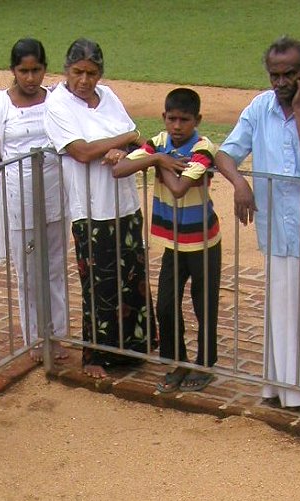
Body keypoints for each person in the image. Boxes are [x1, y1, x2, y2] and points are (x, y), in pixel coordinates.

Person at [215, 36, 300, 409]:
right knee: (280, 311)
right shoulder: (259, 108)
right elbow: (225, 153)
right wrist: (240, 183)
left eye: (290, 75)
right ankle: (281, 388)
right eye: (274, 75)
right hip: (275, 231)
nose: (281, 83)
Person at [44, 37, 151, 379]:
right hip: (90, 208)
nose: (84, 80)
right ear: (66, 70)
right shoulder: (58, 104)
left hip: (125, 202)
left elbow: (138, 140)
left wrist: (124, 147)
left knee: (131, 277)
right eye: (78, 72)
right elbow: (82, 151)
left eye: (91, 73)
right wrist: (124, 138)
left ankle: (133, 350)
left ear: (100, 73)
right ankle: (95, 356)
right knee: (99, 284)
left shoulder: (109, 97)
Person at [114, 87, 222, 393]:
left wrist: (155, 162)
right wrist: (160, 158)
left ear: (196, 120)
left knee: (205, 305)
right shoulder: (159, 144)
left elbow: (178, 188)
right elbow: (120, 169)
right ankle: (179, 362)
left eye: (184, 120)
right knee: (165, 306)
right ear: (164, 117)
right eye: (171, 119)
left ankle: (204, 364)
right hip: (174, 242)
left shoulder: (203, 147)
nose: (176, 126)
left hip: (203, 242)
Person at [0, 37, 68, 362]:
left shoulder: (58, 99)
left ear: (45, 68)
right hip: (19, 202)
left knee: (55, 267)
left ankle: (56, 335)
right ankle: (34, 338)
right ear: (13, 70)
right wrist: (15, 178)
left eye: (36, 70)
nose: (30, 78)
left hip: (55, 194)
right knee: (28, 273)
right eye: (24, 71)